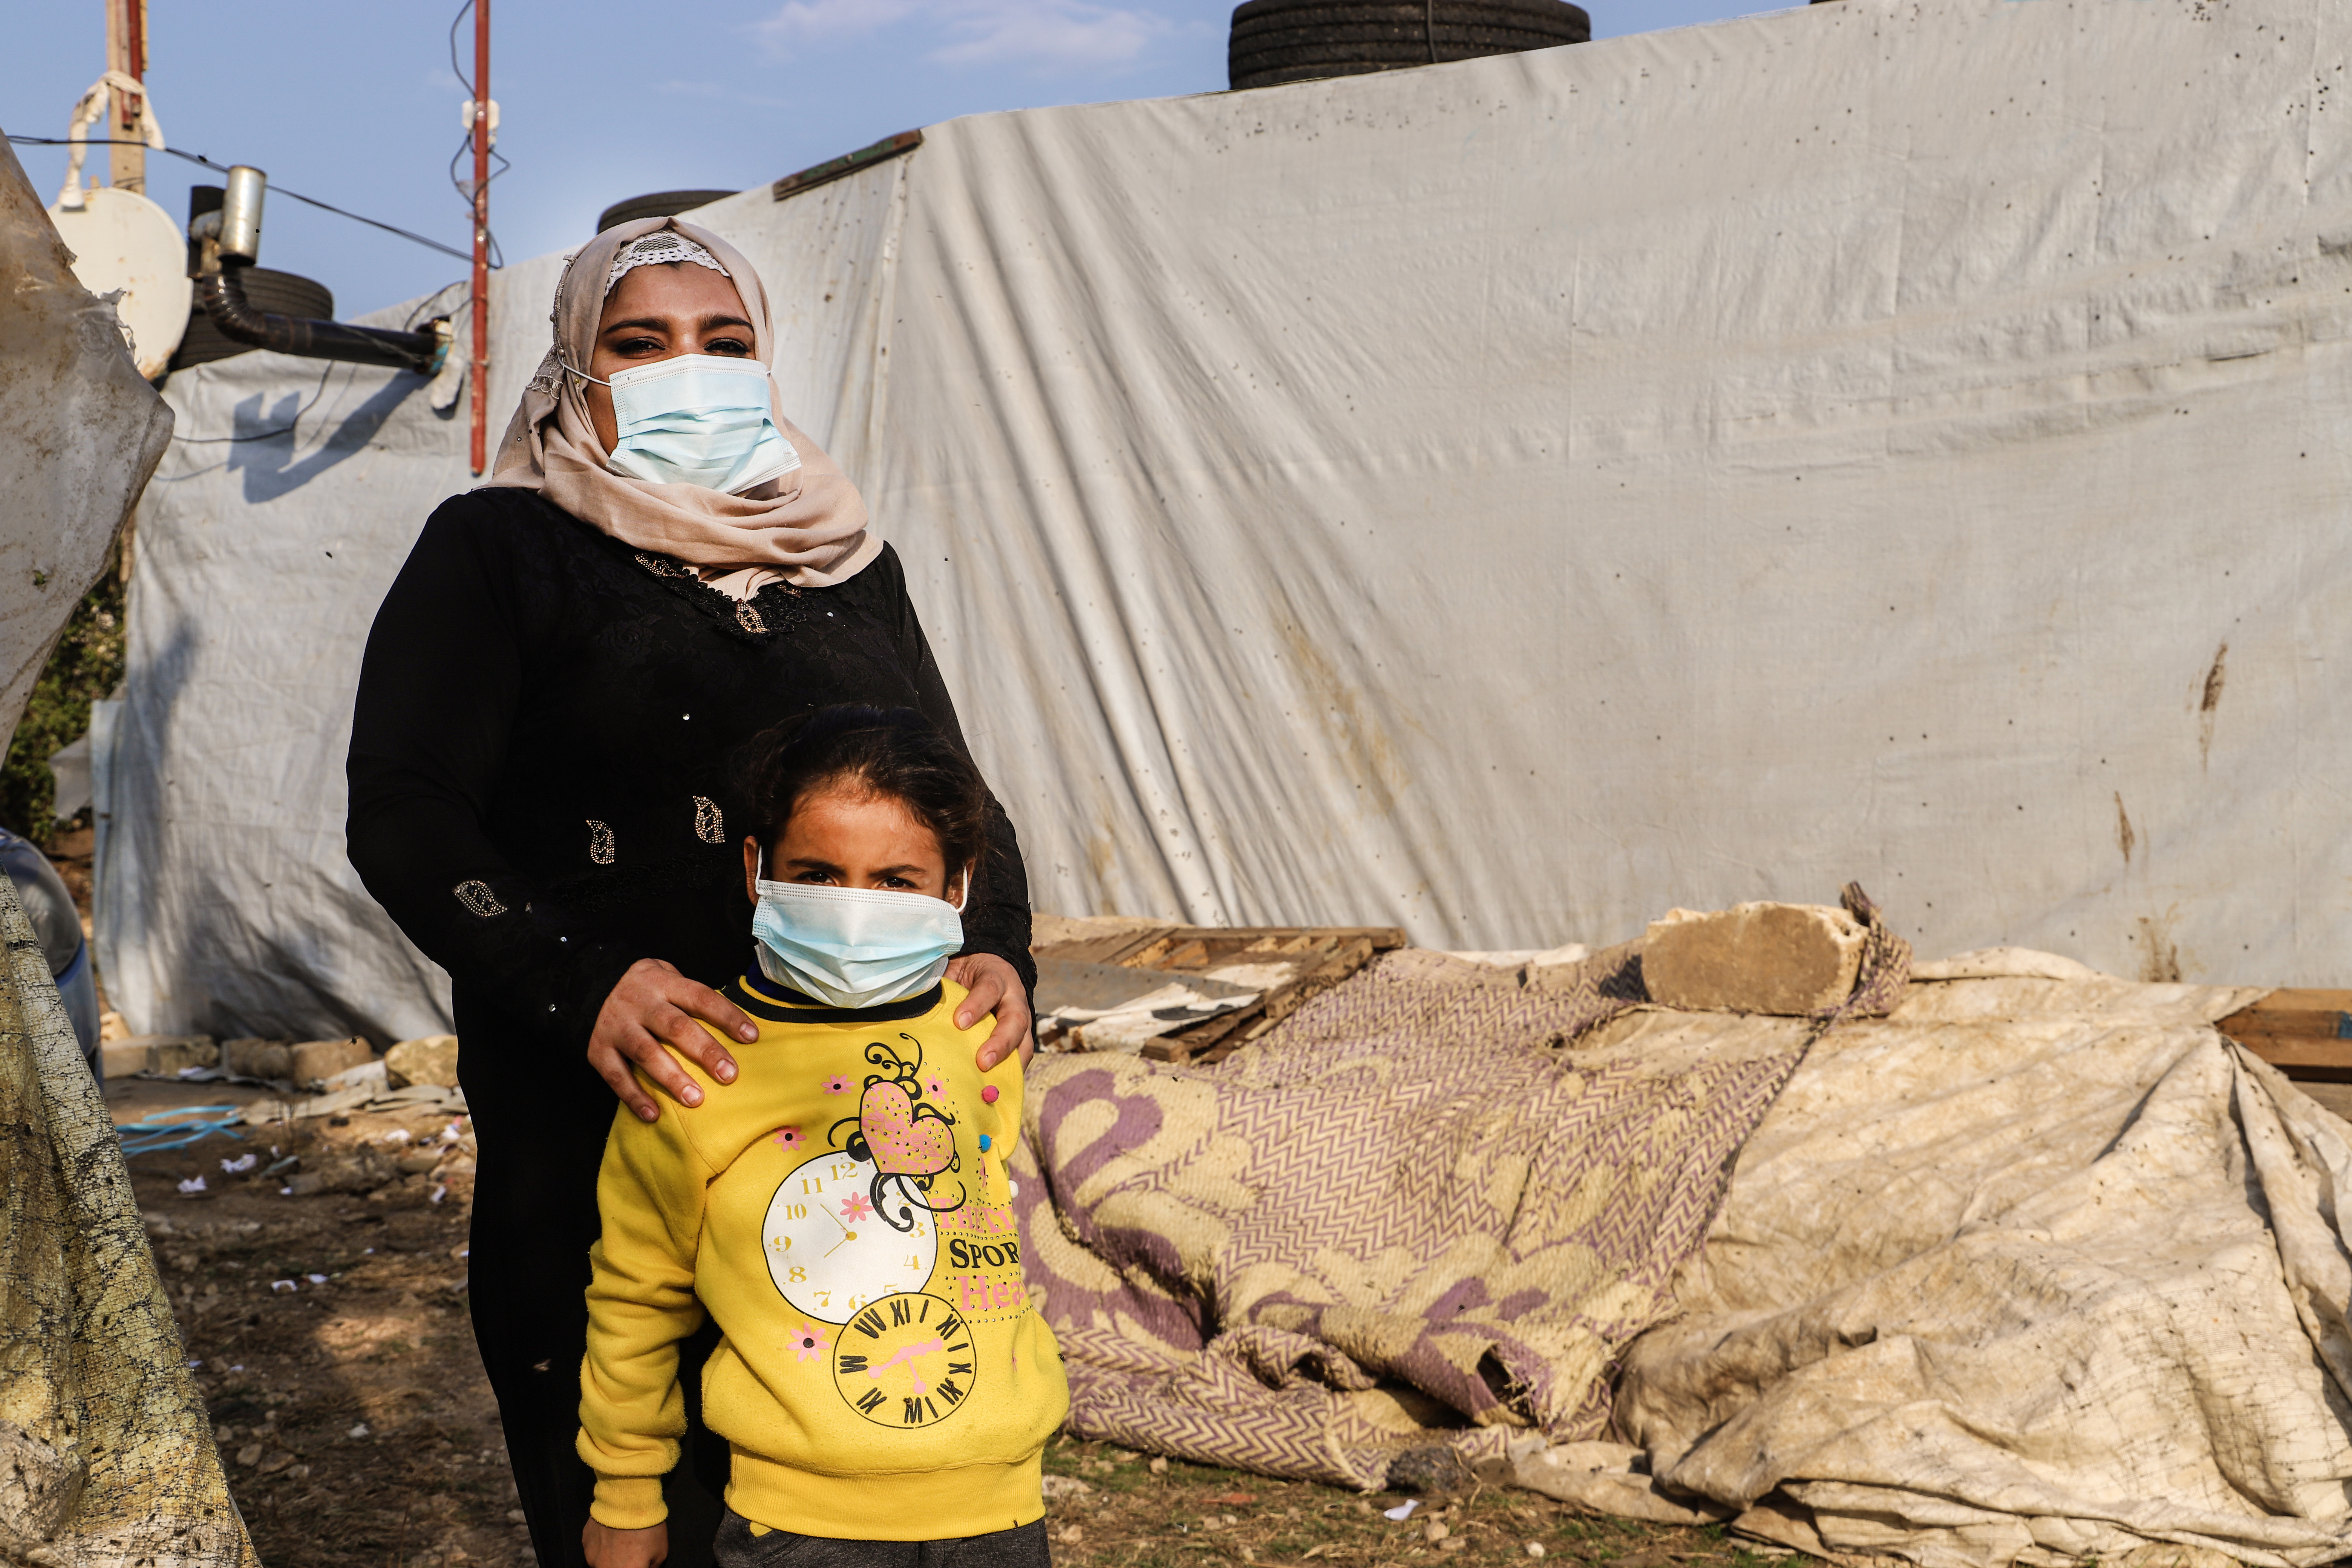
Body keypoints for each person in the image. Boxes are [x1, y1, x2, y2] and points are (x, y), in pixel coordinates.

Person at [346, 219, 1037, 1568]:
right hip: (602, 1112)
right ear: (575, 372)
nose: (691, 370)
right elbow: (407, 811)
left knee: (838, 1494)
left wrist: (1002, 946)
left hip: (841, 1124)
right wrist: (576, 977)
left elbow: (957, 796)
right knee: (628, 1491)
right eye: (640, 342)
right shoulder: (500, 548)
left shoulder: (846, 565)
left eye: (727, 343)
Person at [579, 705, 1066, 1568]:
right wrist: (625, 1493)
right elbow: (635, 1297)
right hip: (800, 1530)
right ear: (757, 868)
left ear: (959, 885)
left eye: (894, 880)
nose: (853, 911)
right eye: (817, 873)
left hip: (1002, 1514)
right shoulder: (697, 1065)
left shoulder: (984, 1034)